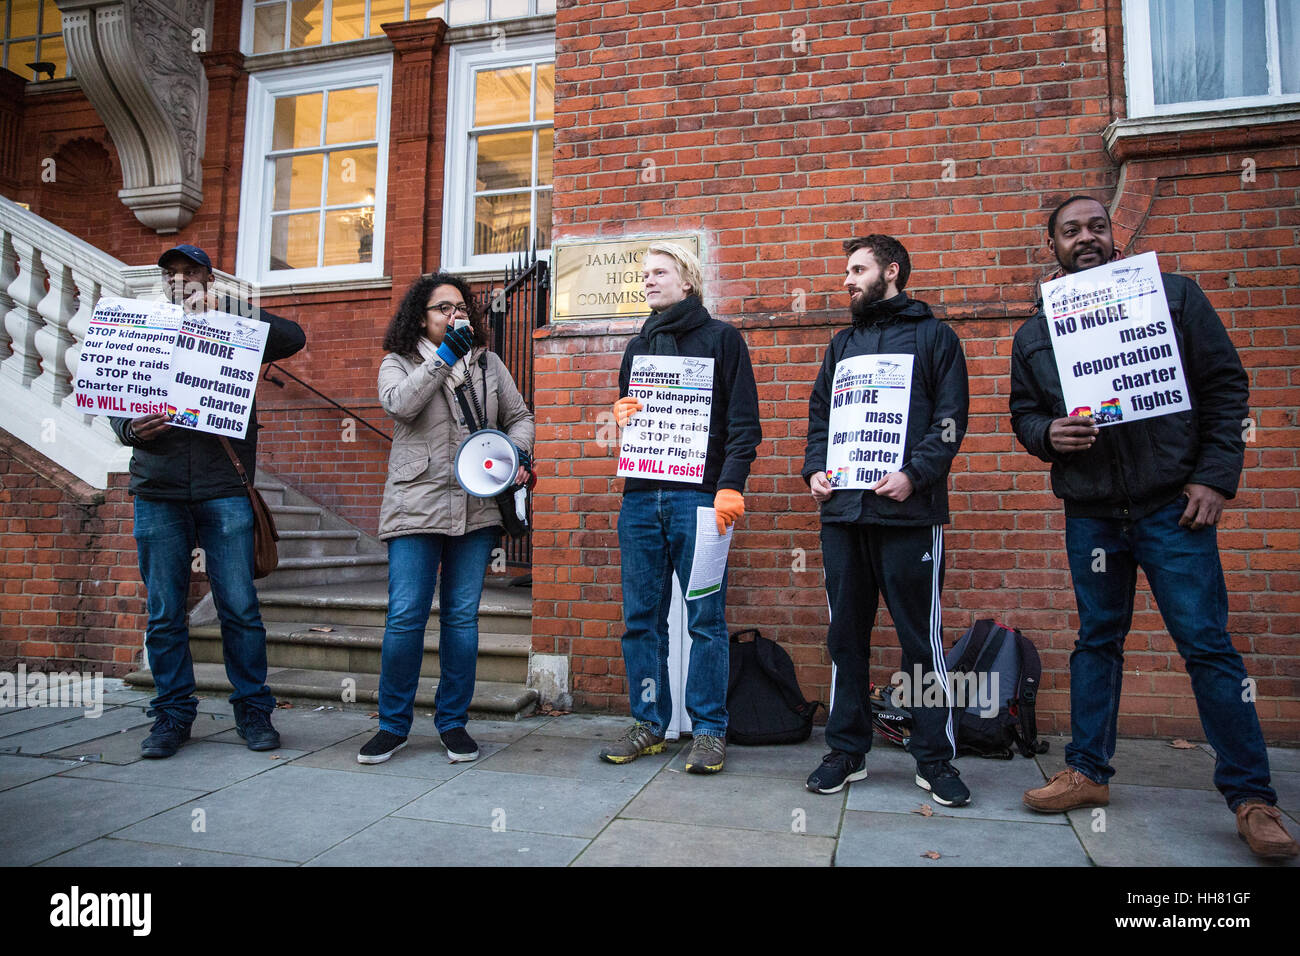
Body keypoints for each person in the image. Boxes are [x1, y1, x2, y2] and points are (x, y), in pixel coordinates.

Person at [1012, 195, 1298, 859]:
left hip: (1174, 504)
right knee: (1097, 641)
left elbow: (1226, 388)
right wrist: (1047, 434)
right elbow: (1024, 415)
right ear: (1052, 246)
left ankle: (1253, 797)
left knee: (1206, 644)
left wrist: (1214, 478)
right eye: (1069, 231)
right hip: (1091, 513)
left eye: (1094, 226)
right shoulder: (1036, 334)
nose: (1085, 237)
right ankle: (1088, 772)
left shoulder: (1172, 298)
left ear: (1111, 235)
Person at [111, 244, 306, 758]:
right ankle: (172, 717)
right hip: (157, 489)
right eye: (171, 274)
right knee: (164, 612)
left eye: (191, 272)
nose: (181, 280)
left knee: (239, 607)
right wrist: (133, 429)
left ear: (208, 278)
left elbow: (293, 337)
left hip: (225, 487)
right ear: (163, 283)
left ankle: (254, 712)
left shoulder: (234, 329)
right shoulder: (141, 327)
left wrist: (230, 311)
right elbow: (112, 393)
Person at [801, 235, 971, 805]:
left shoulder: (935, 338)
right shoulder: (841, 345)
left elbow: (949, 421)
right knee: (844, 637)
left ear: (890, 272)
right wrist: (815, 471)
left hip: (908, 515)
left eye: (857, 269)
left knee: (919, 641)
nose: (846, 280)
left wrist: (915, 475)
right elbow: (820, 419)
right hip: (843, 515)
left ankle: (935, 759)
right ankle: (846, 752)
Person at [598, 241, 761, 774]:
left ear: (686, 280)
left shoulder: (722, 340)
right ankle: (649, 722)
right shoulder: (636, 346)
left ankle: (709, 730)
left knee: (705, 619)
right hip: (641, 500)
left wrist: (730, 486)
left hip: (701, 501)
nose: (648, 280)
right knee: (641, 620)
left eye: (659, 272)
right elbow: (627, 437)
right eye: (643, 274)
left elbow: (744, 427)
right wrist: (619, 422)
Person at [358, 273, 534, 765]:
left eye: (461, 308)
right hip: (416, 506)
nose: (455, 315)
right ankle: (392, 725)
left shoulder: (490, 365)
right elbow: (401, 406)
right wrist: (443, 359)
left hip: (477, 510)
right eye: (443, 308)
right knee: (406, 617)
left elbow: (520, 416)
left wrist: (515, 453)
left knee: (461, 619)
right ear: (421, 316)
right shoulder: (397, 363)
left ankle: (453, 723)